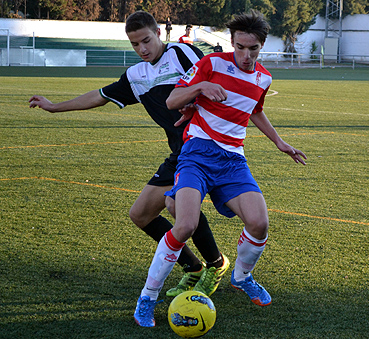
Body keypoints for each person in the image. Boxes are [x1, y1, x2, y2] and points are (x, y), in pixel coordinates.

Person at [28, 10, 229, 310]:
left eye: (146, 40)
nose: (142, 49)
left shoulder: (182, 53)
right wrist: (55, 107)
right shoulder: (137, 76)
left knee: (176, 206)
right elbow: (99, 96)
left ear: (159, 33)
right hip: (179, 153)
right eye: (135, 45)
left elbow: (212, 78)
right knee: (141, 215)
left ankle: (215, 265)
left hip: (206, 148)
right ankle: (194, 268)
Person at [134, 10, 307, 327]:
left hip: (233, 162)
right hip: (197, 155)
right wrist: (200, 89)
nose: (245, 54)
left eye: (252, 48)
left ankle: (241, 277)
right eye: (240, 47)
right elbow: (173, 100)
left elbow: (255, 111)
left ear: (261, 46)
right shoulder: (211, 64)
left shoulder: (263, 78)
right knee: (184, 225)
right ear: (232, 42)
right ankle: (147, 297)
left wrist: (280, 142)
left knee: (259, 223)